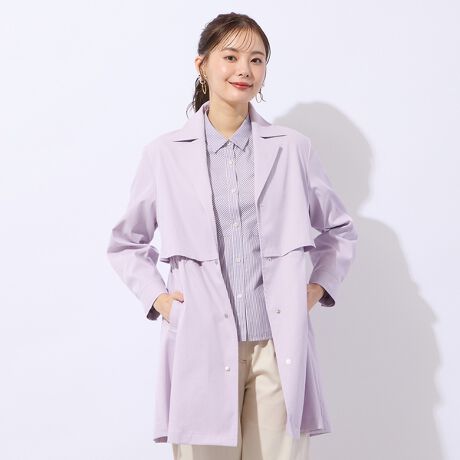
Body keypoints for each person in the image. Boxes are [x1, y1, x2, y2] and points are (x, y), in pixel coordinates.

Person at [107, 12, 358, 460]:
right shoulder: (164, 155)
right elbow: (127, 243)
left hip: (276, 347)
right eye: (231, 56)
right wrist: (162, 301)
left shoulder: (293, 148)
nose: (245, 69)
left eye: (257, 60)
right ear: (202, 65)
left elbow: (339, 230)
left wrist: (315, 289)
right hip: (199, 341)